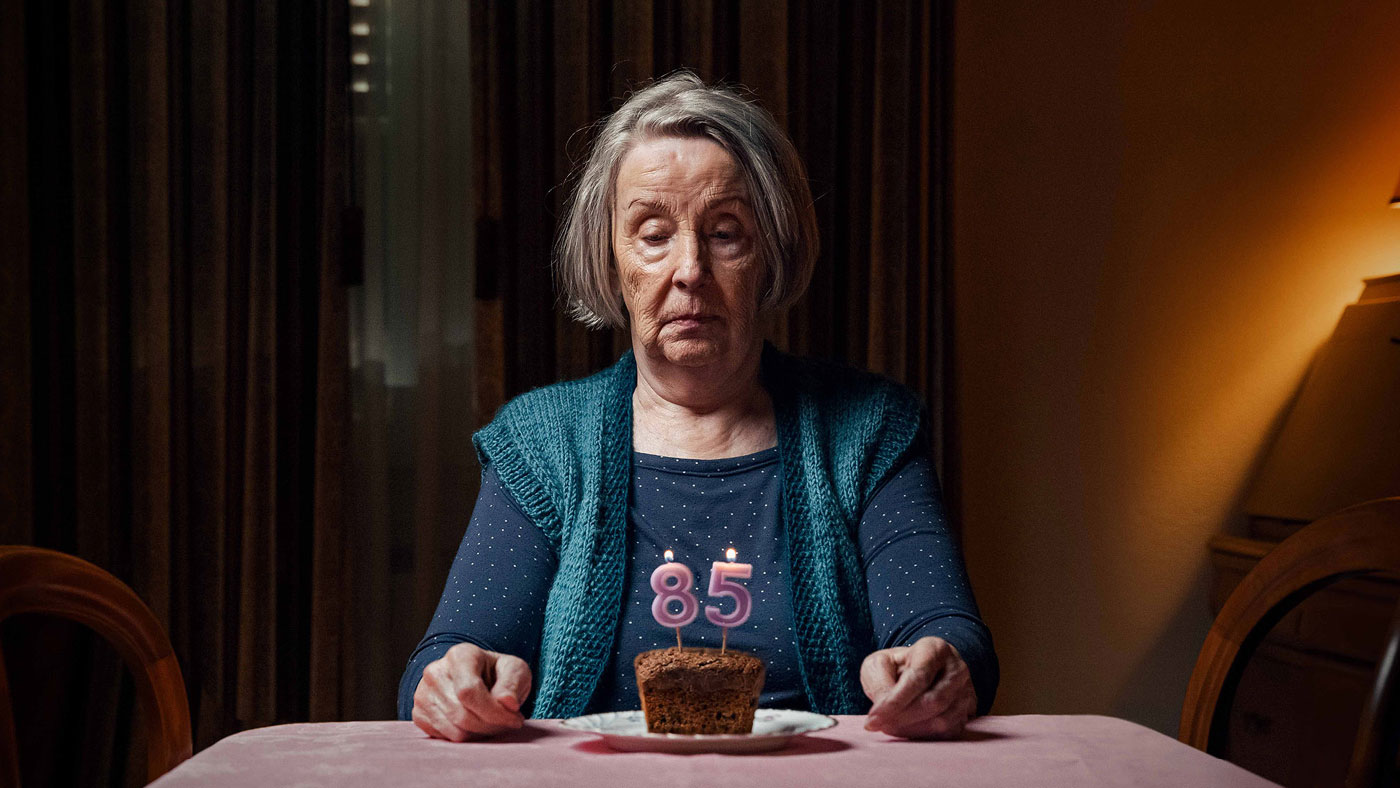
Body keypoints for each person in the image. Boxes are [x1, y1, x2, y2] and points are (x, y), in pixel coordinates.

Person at [399, 71, 997, 742]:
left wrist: (941, 668)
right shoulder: (542, 444)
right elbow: (448, 656)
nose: (689, 270)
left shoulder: (871, 429)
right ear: (610, 258)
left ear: (769, 252)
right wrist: (452, 681)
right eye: (652, 234)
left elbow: (946, 633)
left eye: (724, 232)